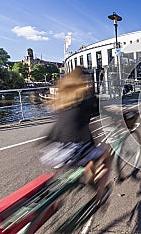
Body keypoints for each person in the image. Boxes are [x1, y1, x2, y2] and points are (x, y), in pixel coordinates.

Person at [41, 66, 111, 202]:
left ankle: (88, 174)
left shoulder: (62, 99)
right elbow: (104, 110)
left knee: (89, 156)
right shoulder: (86, 96)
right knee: (107, 156)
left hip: (55, 150)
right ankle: (101, 195)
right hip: (75, 148)